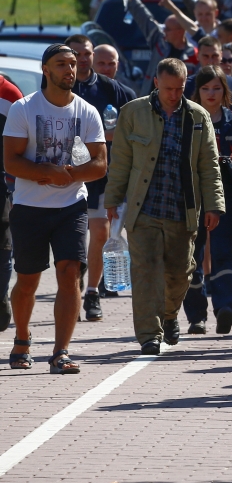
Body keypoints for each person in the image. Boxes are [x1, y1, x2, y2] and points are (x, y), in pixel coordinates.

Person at [105, 58, 225, 355]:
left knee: (180, 273)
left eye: (180, 88)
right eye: (168, 88)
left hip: (182, 209)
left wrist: (214, 205)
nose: (174, 94)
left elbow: (208, 165)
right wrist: (112, 200)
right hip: (142, 208)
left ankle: (170, 314)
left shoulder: (198, 117)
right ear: (156, 82)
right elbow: (120, 161)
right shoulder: (133, 112)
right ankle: (149, 335)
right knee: (145, 272)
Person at [3, 44, 107, 374]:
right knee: (28, 281)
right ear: (45, 70)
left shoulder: (87, 112)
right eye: (61, 64)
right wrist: (46, 173)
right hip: (29, 206)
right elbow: (10, 160)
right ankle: (22, 338)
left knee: (70, 273)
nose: (70, 70)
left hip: (71, 206)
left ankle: (61, 352)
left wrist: (71, 176)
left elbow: (101, 163)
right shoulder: (24, 108)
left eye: (73, 64)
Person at [65, 35, 135, 318]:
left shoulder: (113, 90)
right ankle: (77, 276)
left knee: (101, 232)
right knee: (72, 238)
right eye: (76, 54)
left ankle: (92, 293)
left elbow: (131, 130)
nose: (83, 59)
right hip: (67, 175)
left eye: (87, 54)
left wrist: (105, 138)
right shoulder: (57, 88)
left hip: (103, 174)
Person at [182, 66, 232, 335]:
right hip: (192, 195)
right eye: (205, 88)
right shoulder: (187, 119)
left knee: (222, 252)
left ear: (225, 91)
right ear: (197, 92)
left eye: (217, 88)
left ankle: (224, 308)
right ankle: (197, 316)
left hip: (226, 196)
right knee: (190, 256)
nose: (211, 94)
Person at [124, 0, 198, 95]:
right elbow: (145, 19)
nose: (164, 31)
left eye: (168, 29)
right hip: (151, 104)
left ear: (180, 31)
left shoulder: (193, 55)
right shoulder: (160, 42)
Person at [0, 73, 22, 331]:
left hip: (3, 184)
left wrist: (17, 188)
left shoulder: (10, 96)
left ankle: (1, 296)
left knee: (3, 246)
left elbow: (21, 145)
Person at [184, 36, 232, 115]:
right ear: (198, 56)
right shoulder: (187, 85)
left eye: (215, 56)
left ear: (221, 55)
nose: (210, 61)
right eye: (205, 56)